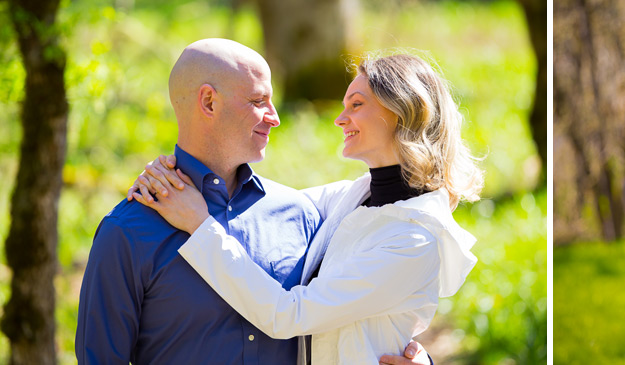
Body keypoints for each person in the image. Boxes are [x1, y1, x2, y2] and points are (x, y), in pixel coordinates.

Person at [76, 38, 427, 364]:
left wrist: (416, 357)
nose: (275, 117)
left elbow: (359, 304)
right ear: (209, 102)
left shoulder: (303, 215)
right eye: (259, 102)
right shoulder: (128, 232)